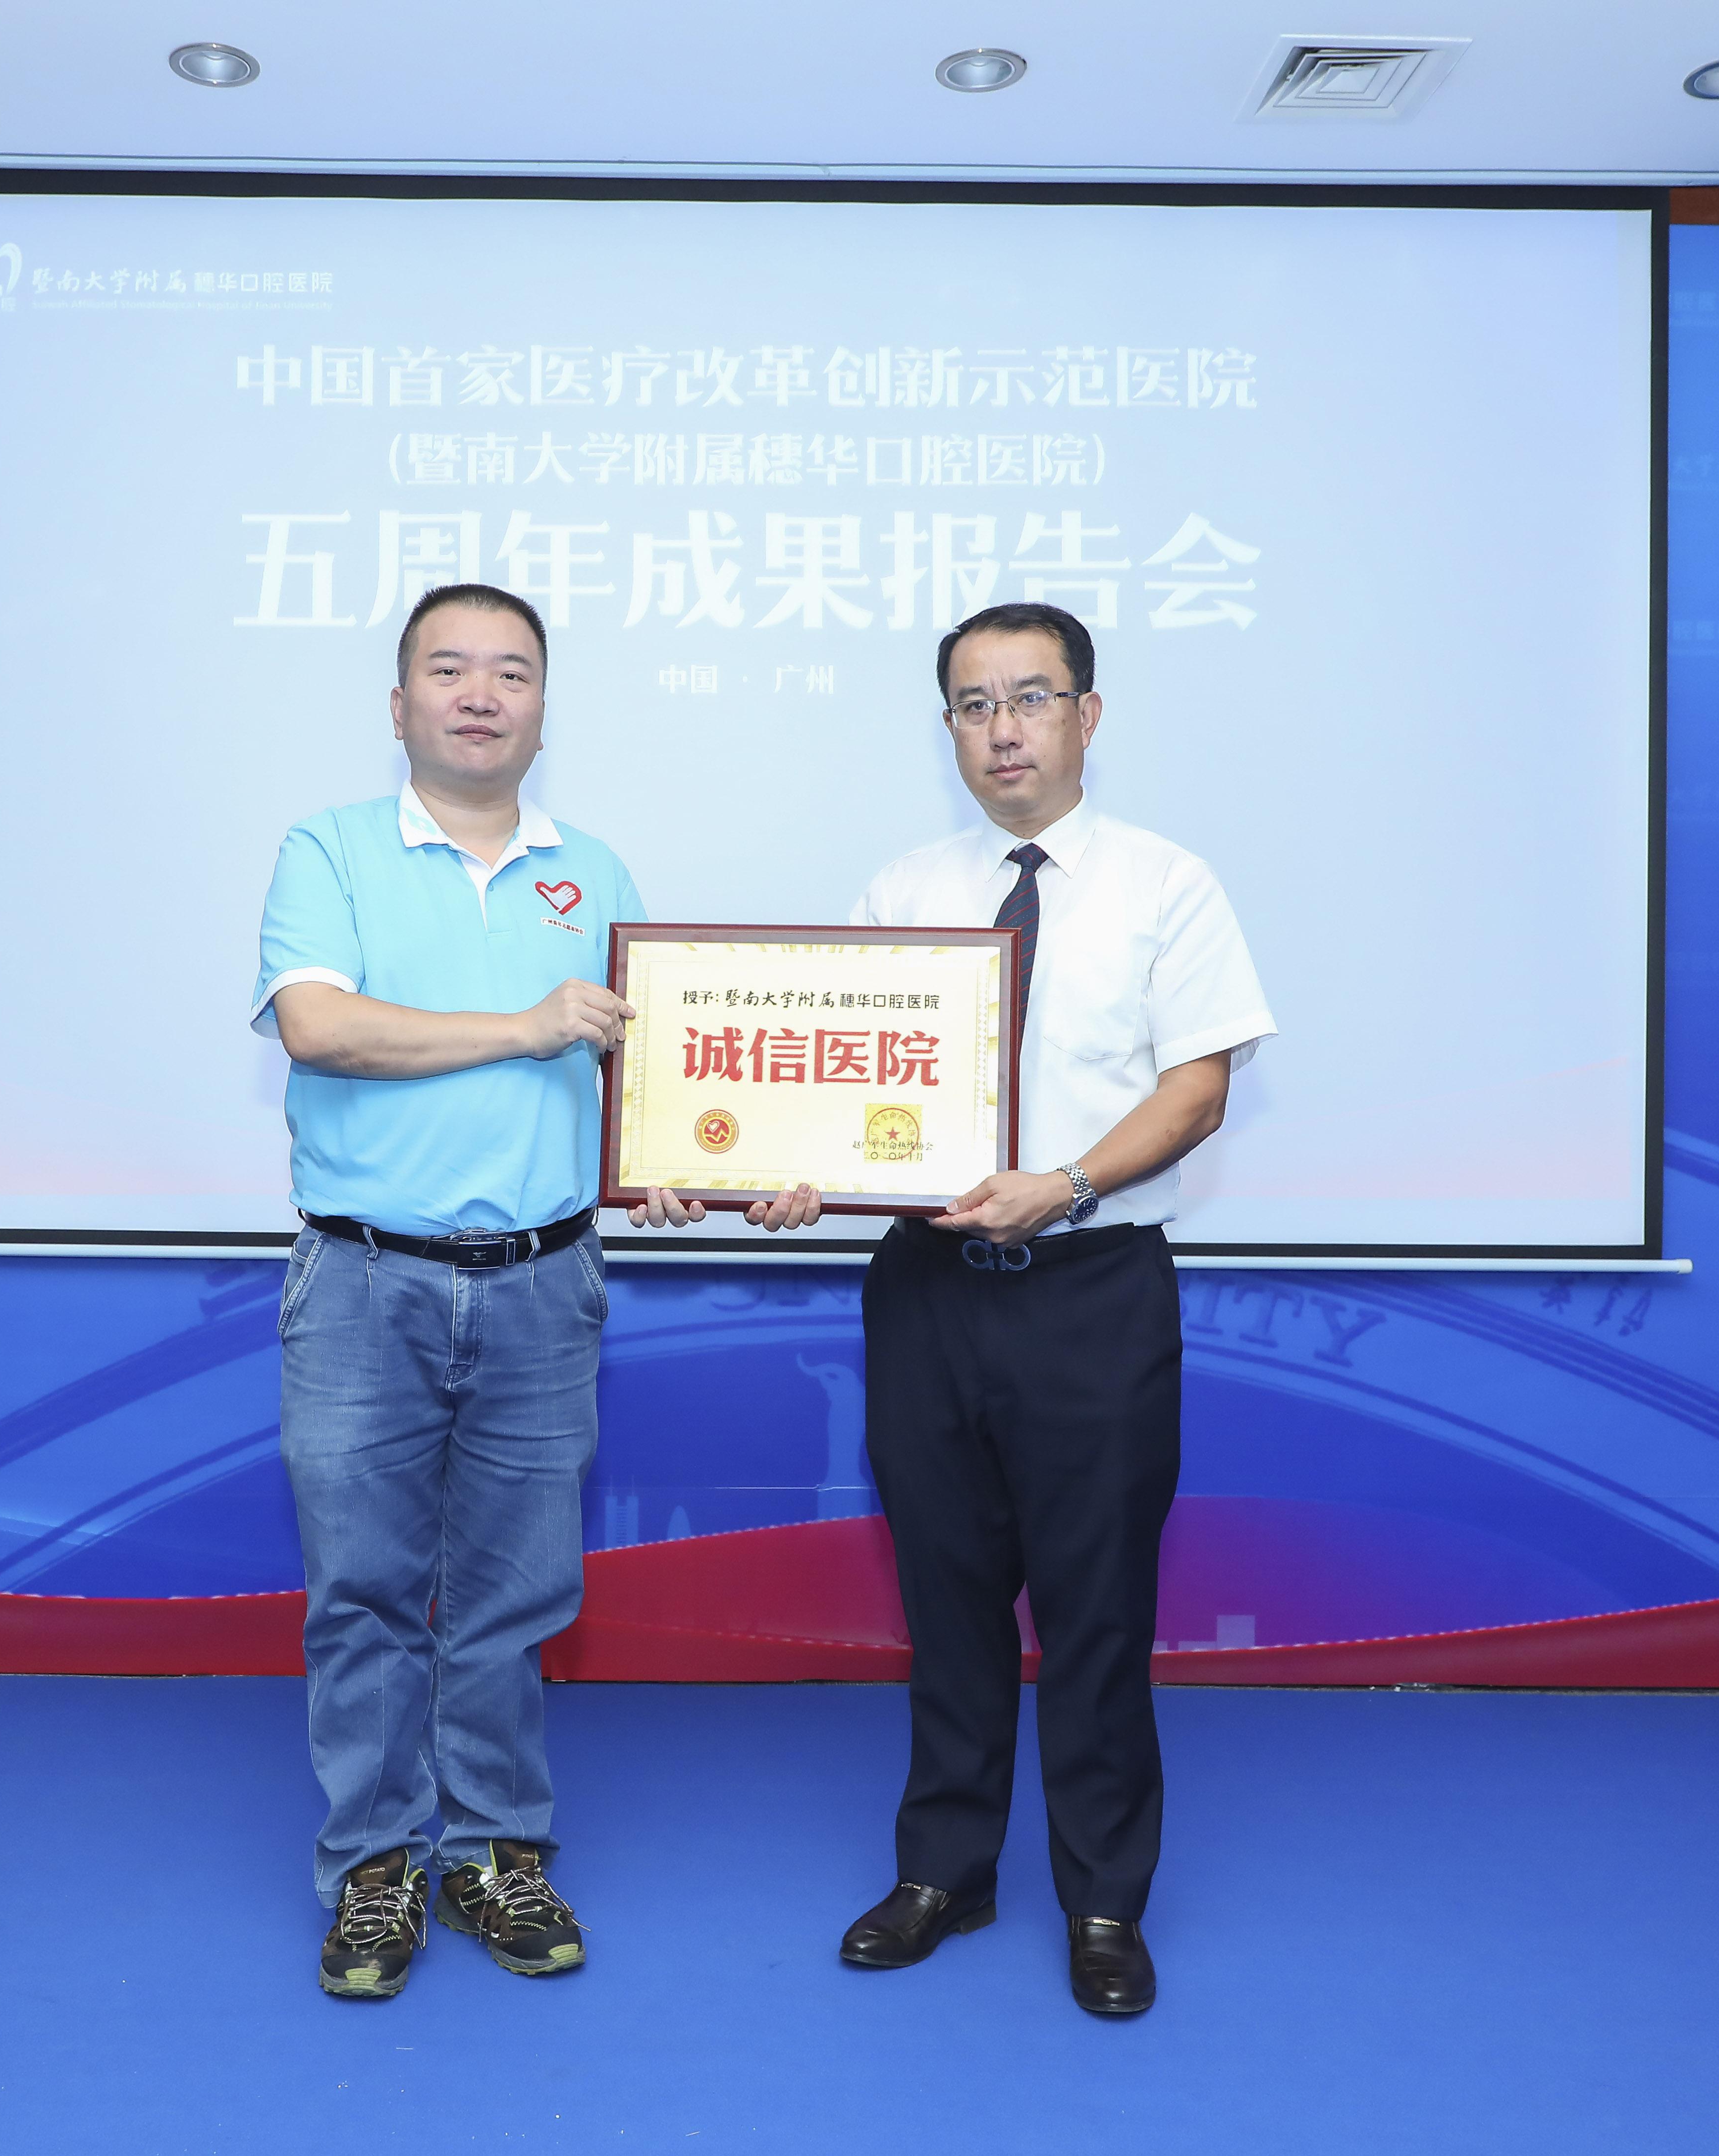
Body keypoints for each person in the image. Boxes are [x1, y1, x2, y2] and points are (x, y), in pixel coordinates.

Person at [252, 582, 811, 2001]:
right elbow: (320, 1028)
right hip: (363, 1283)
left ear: (544, 712)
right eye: (449, 670)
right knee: (364, 1596)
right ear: (399, 706)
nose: (480, 694)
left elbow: (654, 1074)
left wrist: (693, 1166)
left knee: (513, 1597)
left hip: (544, 1286)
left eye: (511, 672)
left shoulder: (596, 872)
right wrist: (526, 1027)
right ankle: (375, 1864)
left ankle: (495, 1849)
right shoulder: (329, 850)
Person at [833, 601, 1275, 2018]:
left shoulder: (1165, 884)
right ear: (948, 730)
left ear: (1089, 714)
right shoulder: (904, 892)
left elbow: (1197, 1090)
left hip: (1092, 1288)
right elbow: (850, 1090)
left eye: (1031, 697)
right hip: (926, 1289)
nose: (1003, 728)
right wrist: (798, 1171)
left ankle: (1103, 1901)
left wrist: (1067, 1184)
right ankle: (944, 1874)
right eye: (974, 705)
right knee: (947, 1596)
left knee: (1095, 1611)